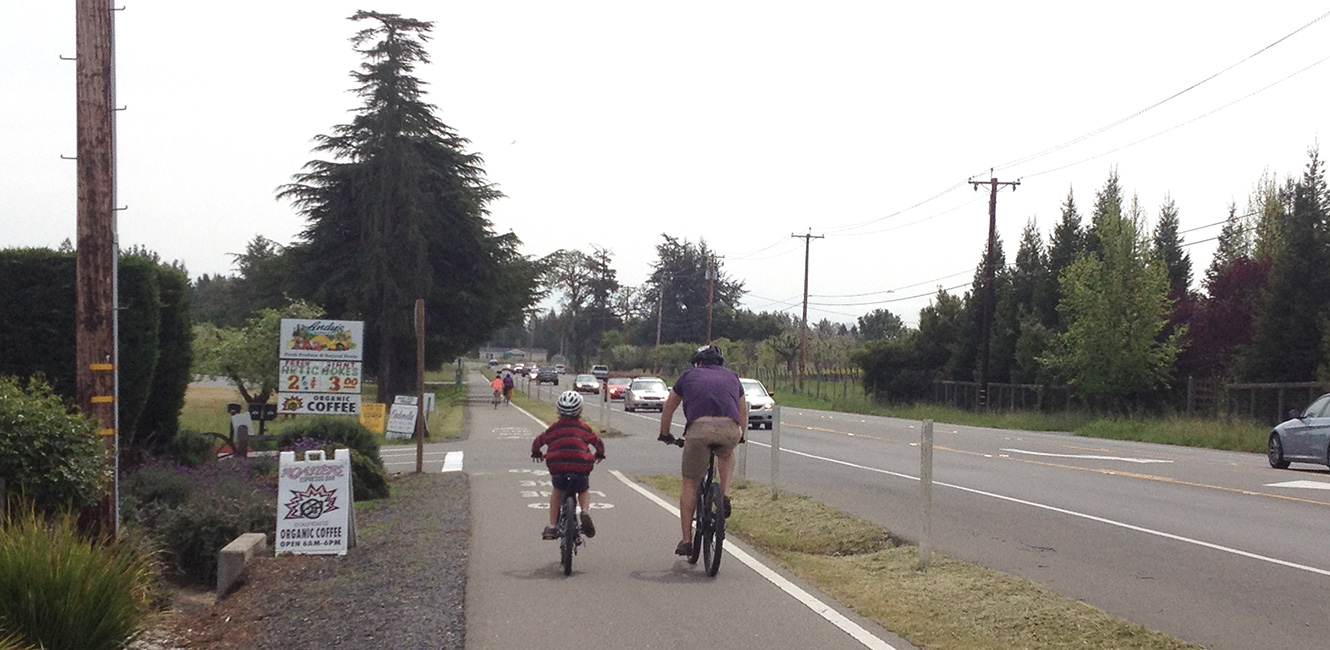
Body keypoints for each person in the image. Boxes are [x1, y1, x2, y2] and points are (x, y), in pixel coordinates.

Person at [658, 344, 746, 556]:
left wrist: (665, 433)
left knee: (690, 482)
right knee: (726, 453)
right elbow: (743, 409)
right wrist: (741, 435)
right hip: (730, 427)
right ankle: (725, 494)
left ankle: (687, 540)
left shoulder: (688, 376)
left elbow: (669, 406)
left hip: (699, 429)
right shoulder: (733, 377)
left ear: (698, 362)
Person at [531, 391, 606, 540]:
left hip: (558, 466)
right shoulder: (584, 428)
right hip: (580, 466)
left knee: (557, 492)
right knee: (583, 490)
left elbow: (538, 441)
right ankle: (584, 511)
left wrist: (536, 453)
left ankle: (553, 526)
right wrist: (599, 454)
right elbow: (598, 443)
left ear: (558, 411)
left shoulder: (554, 428)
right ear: (580, 411)